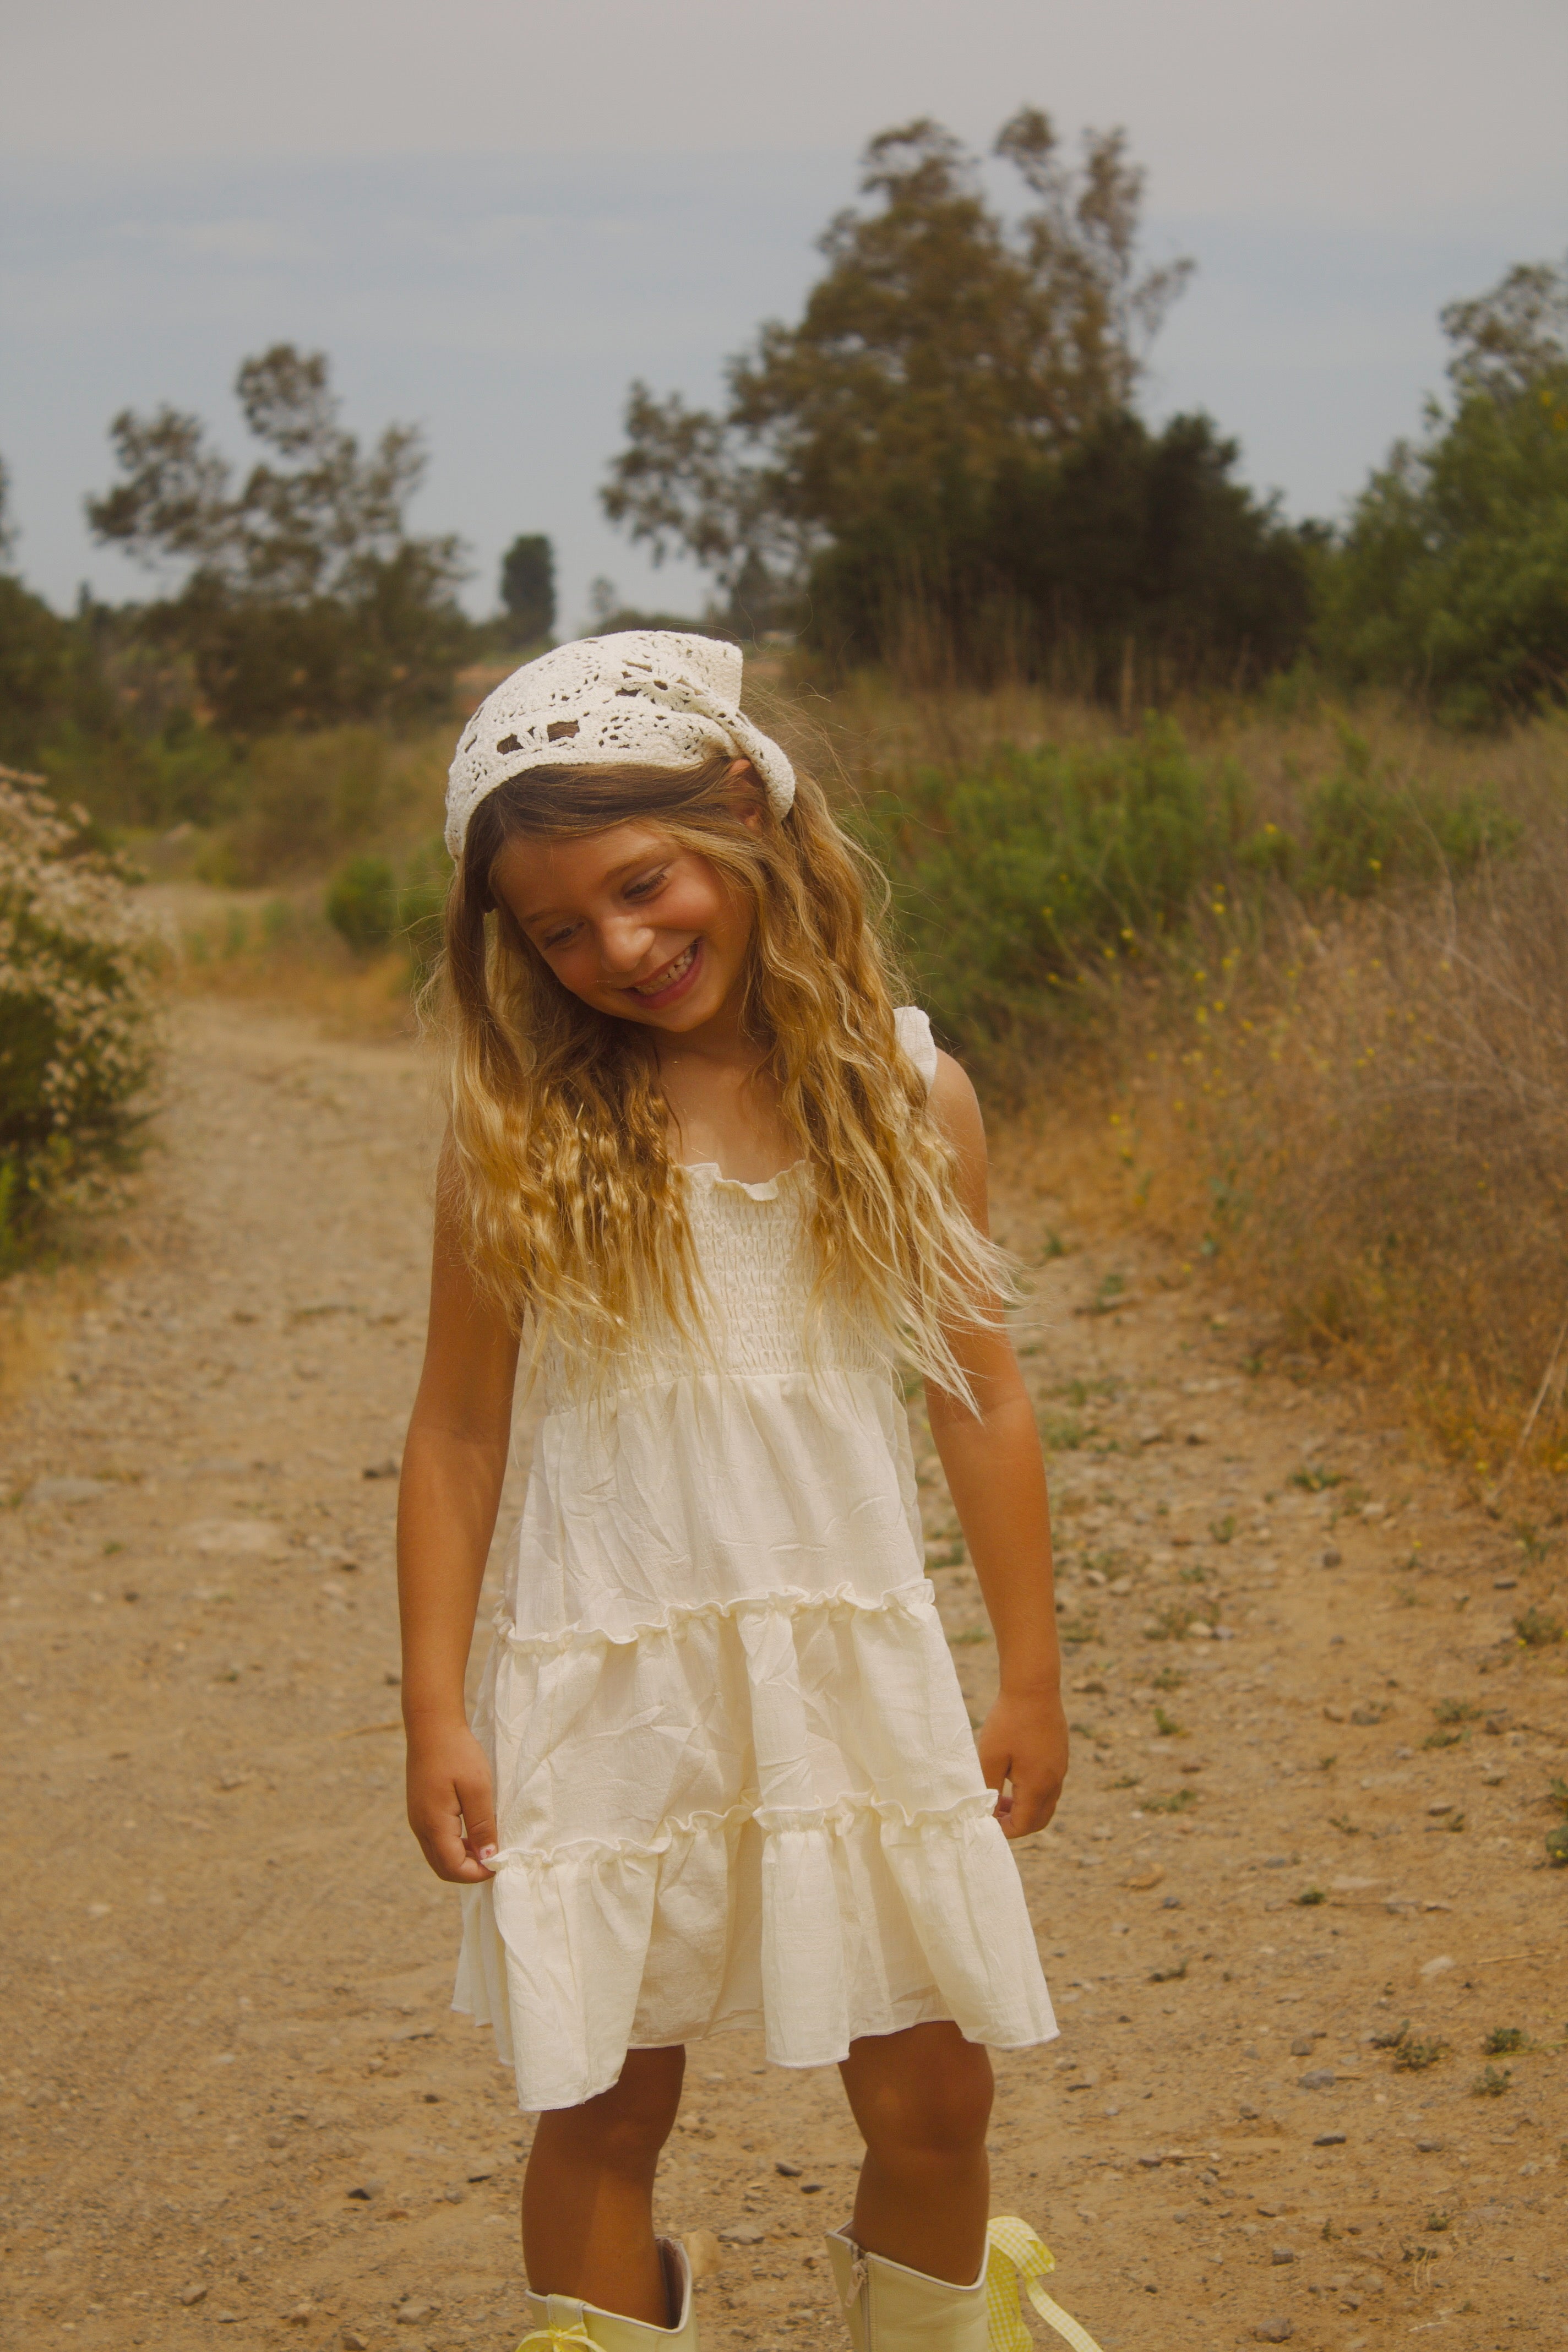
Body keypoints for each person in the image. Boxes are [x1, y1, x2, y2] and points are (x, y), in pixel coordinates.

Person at [398, 633, 1078, 2351]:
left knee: (933, 2101)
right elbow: (459, 1433)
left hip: (848, 1672)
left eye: (643, 885)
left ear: (745, 819)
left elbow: (978, 1394)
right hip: (614, 1675)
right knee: (606, 2107)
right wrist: (433, 1709)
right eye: (558, 928)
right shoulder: (524, 1133)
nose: (618, 947)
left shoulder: (908, 1097)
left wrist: (1030, 1673)